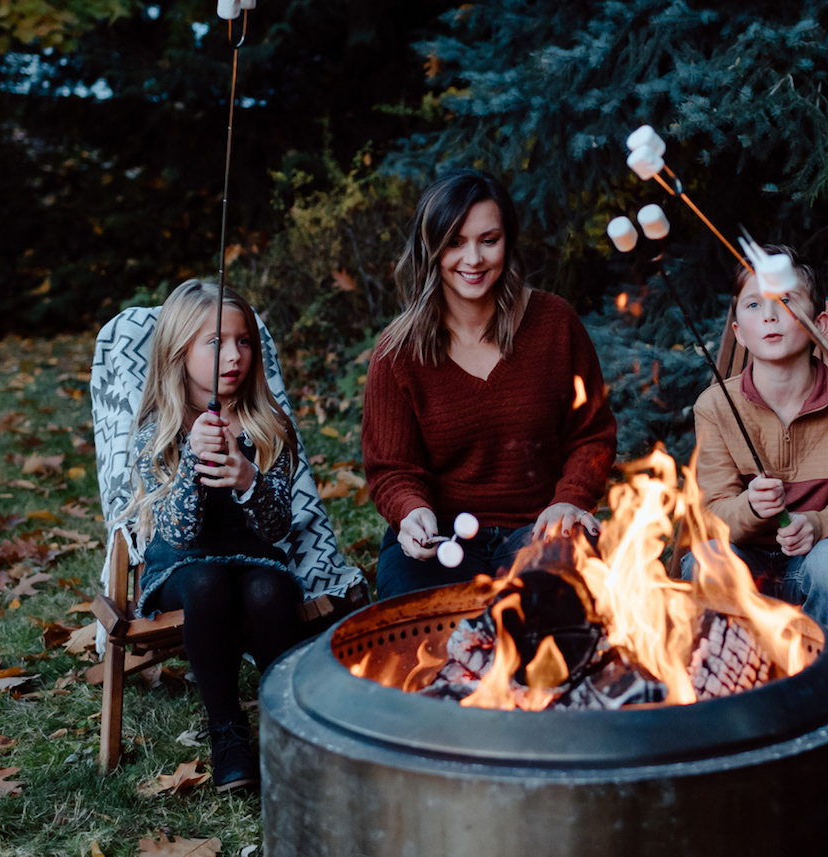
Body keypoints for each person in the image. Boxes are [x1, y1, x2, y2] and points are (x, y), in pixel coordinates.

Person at [362, 169, 617, 601]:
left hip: (540, 527)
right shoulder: (397, 352)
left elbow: (591, 434)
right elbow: (392, 468)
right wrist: (411, 510)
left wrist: (570, 498)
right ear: (430, 249)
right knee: (421, 627)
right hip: (442, 541)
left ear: (508, 241)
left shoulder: (554, 323)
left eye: (488, 240)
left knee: (560, 614)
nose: (473, 259)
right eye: (455, 242)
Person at [125, 279, 302, 793]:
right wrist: (193, 463)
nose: (235, 355)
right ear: (179, 352)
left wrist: (247, 477)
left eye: (244, 340)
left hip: (253, 559)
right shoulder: (158, 431)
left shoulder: (269, 426)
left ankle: (290, 727)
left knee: (268, 590)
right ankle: (227, 731)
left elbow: (276, 528)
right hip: (182, 566)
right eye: (217, 342)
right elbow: (176, 532)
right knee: (206, 584)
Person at [683, 246, 828, 638]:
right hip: (746, 564)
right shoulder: (715, 406)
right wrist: (750, 506)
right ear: (738, 331)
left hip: (815, 563)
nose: (769, 314)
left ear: (819, 324)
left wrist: (816, 525)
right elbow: (713, 516)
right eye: (753, 305)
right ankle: (736, 688)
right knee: (708, 560)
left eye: (785, 300)